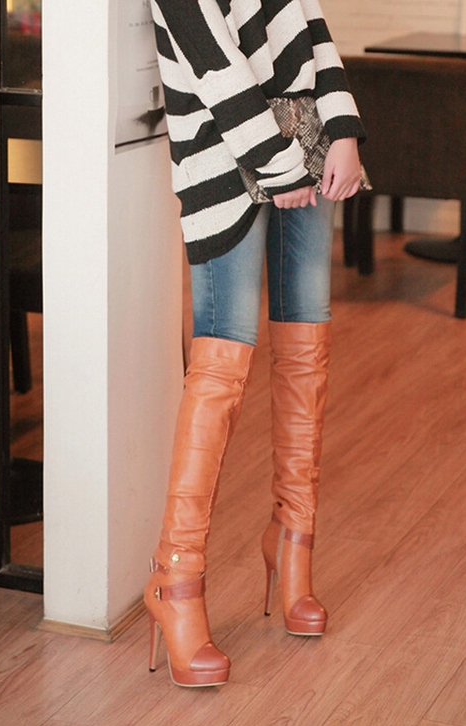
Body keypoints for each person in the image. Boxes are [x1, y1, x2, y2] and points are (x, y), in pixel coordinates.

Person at [145, 0, 366, 688]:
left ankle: (293, 544)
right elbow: (210, 61)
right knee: (220, 366)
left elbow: (312, 29)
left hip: (307, 146)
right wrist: (280, 165)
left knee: (306, 350)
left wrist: (343, 131)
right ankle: (175, 578)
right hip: (228, 156)